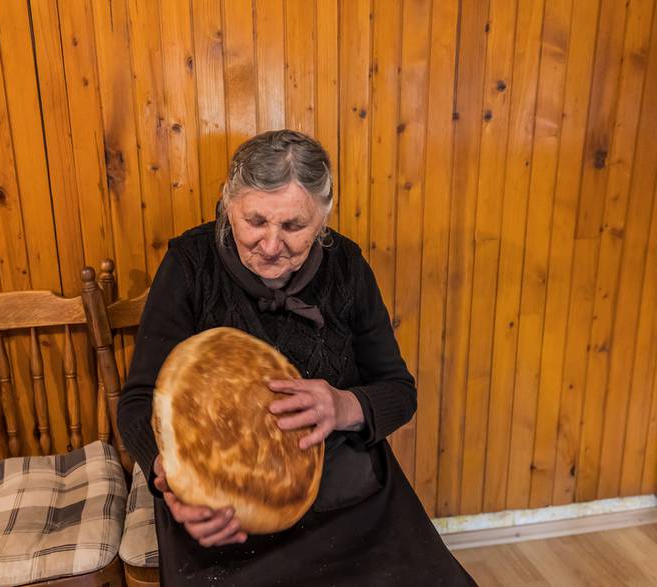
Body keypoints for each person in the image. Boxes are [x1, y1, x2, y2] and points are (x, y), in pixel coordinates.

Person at [117, 130, 477, 586]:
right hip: (226, 509)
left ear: (322, 219)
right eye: (256, 221)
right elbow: (138, 402)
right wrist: (166, 477)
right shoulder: (191, 265)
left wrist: (345, 405)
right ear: (229, 204)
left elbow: (398, 390)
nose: (271, 245)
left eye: (293, 227)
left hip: (349, 497)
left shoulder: (346, 266)